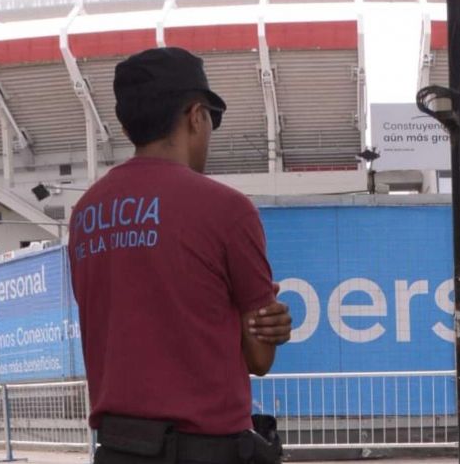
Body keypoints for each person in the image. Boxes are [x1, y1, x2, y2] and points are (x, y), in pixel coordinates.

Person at [68, 47, 293, 464]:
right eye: (211, 120)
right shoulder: (227, 209)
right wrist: (262, 319)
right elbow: (260, 358)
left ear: (126, 125)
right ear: (195, 116)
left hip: (116, 450)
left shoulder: (85, 214)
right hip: (207, 449)